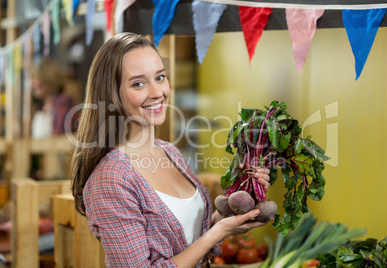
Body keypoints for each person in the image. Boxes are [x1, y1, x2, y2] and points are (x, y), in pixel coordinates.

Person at [70, 33, 271, 268]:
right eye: (138, 83)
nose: (157, 92)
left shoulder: (169, 152)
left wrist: (230, 215)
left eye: (160, 77)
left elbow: (189, 239)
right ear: (111, 93)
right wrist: (216, 235)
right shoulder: (110, 179)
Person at [31, 58, 76, 137]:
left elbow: (59, 135)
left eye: (36, 78)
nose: (33, 83)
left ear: (48, 80)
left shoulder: (63, 102)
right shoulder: (41, 106)